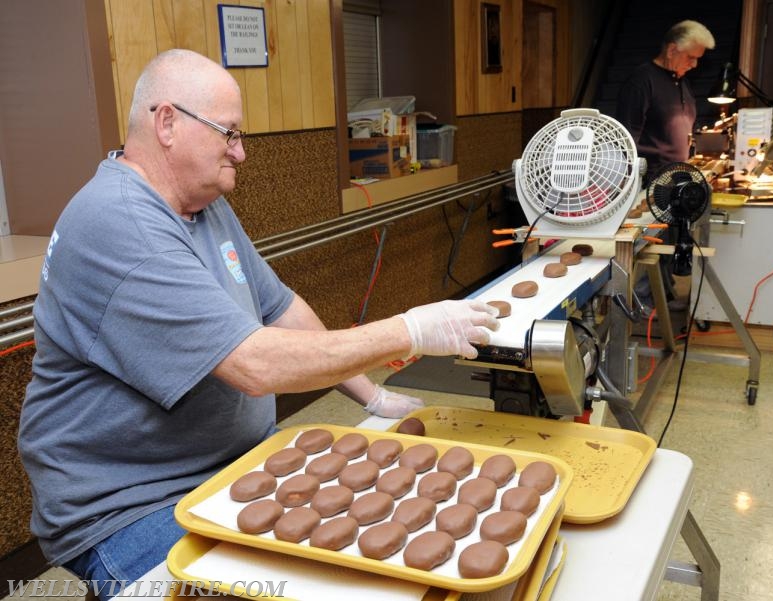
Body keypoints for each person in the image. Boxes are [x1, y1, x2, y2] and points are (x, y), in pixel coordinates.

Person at [17, 49, 499, 598]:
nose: (240, 154)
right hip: (132, 501)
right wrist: (409, 329)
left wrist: (373, 399)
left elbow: (279, 309)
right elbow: (255, 364)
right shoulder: (121, 224)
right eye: (229, 134)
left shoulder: (201, 202)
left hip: (234, 462)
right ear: (167, 122)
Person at [615, 20, 715, 308]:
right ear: (672, 50)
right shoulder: (642, 81)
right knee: (651, 244)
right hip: (651, 179)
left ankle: (663, 296)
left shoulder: (680, 81)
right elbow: (626, 136)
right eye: (691, 57)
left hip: (676, 177)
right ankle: (644, 303)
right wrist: (626, 184)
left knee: (670, 240)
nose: (695, 64)